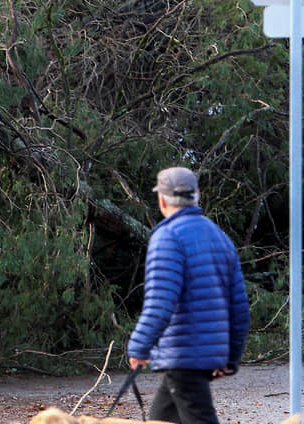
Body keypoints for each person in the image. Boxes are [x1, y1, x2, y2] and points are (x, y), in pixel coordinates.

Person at [127, 167, 250, 424]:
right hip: (193, 358)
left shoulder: (168, 236)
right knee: (162, 418)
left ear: (162, 199)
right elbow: (239, 308)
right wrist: (231, 357)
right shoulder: (220, 237)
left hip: (183, 354)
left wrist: (139, 346)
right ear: (197, 196)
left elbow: (160, 303)